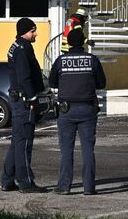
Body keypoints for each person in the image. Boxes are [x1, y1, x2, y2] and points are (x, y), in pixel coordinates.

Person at [49, 29, 106, 195]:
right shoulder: (92, 60)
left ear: (69, 43)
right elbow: (101, 83)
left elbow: (52, 82)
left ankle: (64, 186)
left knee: (66, 150)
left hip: (66, 111)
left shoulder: (60, 61)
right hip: (87, 109)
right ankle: (89, 188)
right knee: (88, 150)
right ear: (83, 42)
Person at [1, 17, 47, 193]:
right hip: (24, 101)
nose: (35, 34)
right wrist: (33, 98)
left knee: (17, 142)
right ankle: (26, 182)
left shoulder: (17, 46)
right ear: (24, 32)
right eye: (32, 31)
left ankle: (7, 179)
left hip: (18, 99)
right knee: (25, 142)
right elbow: (25, 76)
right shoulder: (23, 48)